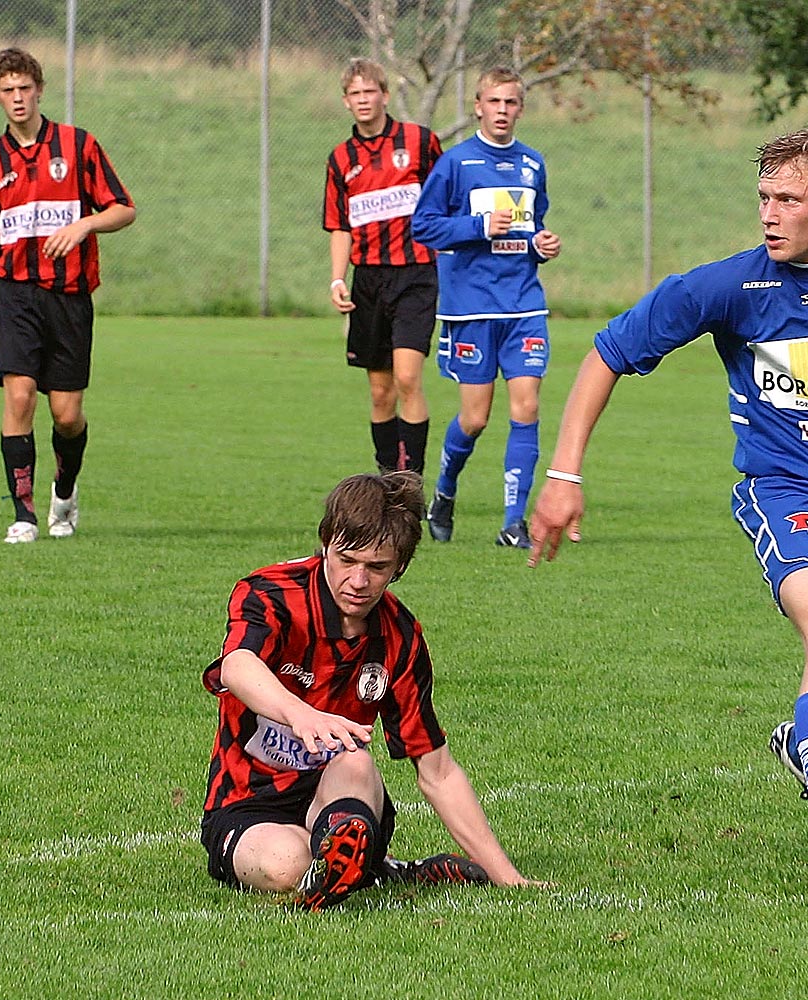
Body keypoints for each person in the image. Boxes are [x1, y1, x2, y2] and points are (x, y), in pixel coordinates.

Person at [527, 124, 808, 898]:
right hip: (787, 494)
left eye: (788, 199)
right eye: (763, 197)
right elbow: (607, 352)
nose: (769, 214)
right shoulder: (732, 286)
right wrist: (563, 473)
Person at [200, 471, 539, 910]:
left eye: (376, 567)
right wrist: (300, 715)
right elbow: (237, 665)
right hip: (246, 803)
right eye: (347, 560)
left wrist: (509, 878)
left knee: (356, 762)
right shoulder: (272, 594)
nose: (358, 581)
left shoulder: (400, 637)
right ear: (325, 543)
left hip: (342, 798)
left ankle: (352, 856)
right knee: (286, 865)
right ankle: (378, 869)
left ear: (400, 565)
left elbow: (438, 772)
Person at [0, 47, 136, 544]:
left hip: (69, 296)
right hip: (14, 296)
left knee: (67, 415)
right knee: (19, 395)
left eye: (24, 88)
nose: (17, 98)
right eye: (7, 90)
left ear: (39, 90)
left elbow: (124, 209)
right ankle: (24, 515)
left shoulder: (78, 147)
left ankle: (66, 491)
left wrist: (85, 225)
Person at [411, 66, 562, 549]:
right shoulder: (455, 163)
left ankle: (513, 523)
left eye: (511, 102)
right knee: (475, 418)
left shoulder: (533, 164)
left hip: (523, 304)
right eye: (493, 102)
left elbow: (531, 228)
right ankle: (444, 493)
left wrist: (540, 244)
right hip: (471, 308)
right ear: (477, 105)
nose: (502, 111)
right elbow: (424, 226)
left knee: (527, 407)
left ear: (521, 107)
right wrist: (477, 226)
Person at [323, 58, 443, 478]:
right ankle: (387, 480)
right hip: (368, 280)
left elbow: (447, 202)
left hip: (416, 274)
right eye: (355, 94)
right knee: (379, 391)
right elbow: (339, 226)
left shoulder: (420, 142)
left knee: (408, 378)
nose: (363, 100)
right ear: (346, 102)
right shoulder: (341, 159)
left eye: (369, 92)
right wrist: (338, 279)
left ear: (385, 95)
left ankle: (412, 484)